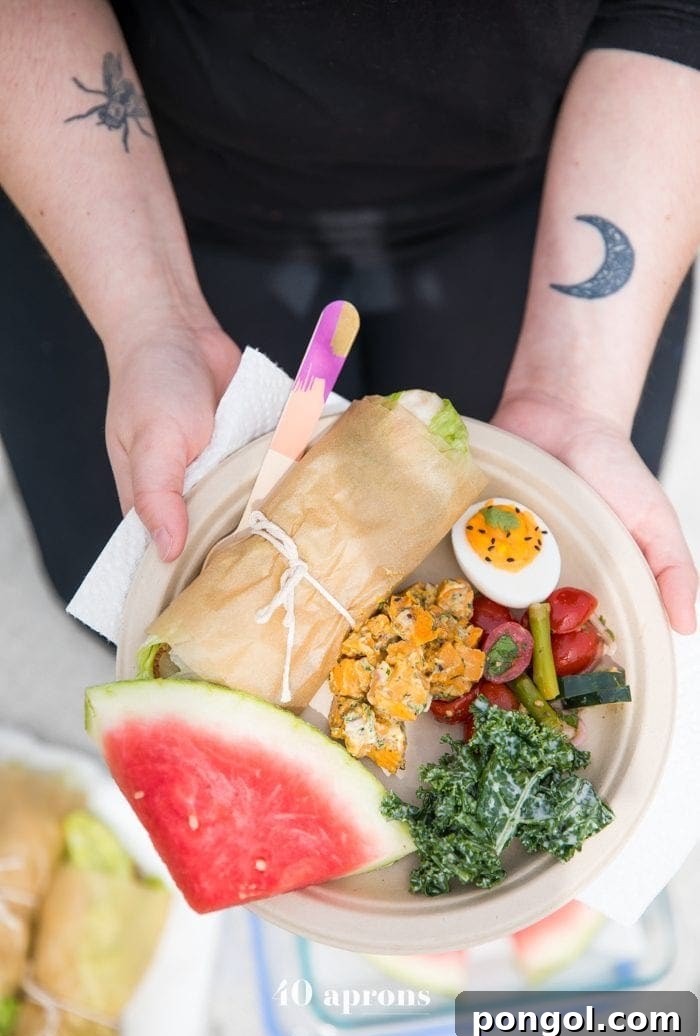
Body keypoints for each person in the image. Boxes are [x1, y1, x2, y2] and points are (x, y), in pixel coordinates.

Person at [0, 2, 698, 633]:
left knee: (515, 548)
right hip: (142, 175)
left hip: (551, 180)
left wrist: (573, 391)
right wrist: (152, 323)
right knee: (141, 594)